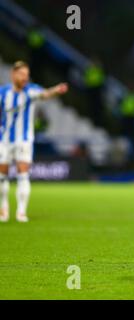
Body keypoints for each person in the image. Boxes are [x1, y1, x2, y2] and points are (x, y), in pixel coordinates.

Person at [0, 61, 68, 222]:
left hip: (24, 140)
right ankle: (4, 209)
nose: (25, 78)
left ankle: (21, 212)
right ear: (13, 75)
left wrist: (56, 90)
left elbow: (45, 94)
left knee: (23, 175)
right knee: (2, 177)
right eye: (22, 74)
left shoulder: (30, 91)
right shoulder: (3, 93)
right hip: (4, 140)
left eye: (26, 75)